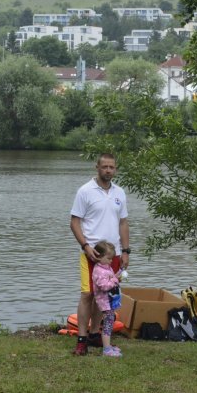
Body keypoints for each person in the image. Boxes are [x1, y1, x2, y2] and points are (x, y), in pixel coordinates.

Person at [70, 153, 130, 356]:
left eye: (111, 167)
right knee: (88, 294)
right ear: (97, 167)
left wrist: (126, 251)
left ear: (116, 169)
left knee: (103, 296)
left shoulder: (120, 193)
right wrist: (85, 246)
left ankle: (95, 334)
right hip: (92, 253)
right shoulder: (85, 191)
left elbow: (123, 223)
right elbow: (74, 222)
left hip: (113, 255)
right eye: (104, 166)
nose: (108, 170)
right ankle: (82, 339)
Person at [91, 241, 123, 357]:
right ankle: (106, 349)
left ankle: (108, 346)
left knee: (109, 323)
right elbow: (104, 286)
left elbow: (111, 278)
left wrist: (119, 273)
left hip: (110, 301)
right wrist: (115, 280)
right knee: (108, 325)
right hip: (105, 302)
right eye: (109, 258)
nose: (111, 261)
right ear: (99, 256)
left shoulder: (106, 267)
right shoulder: (99, 271)